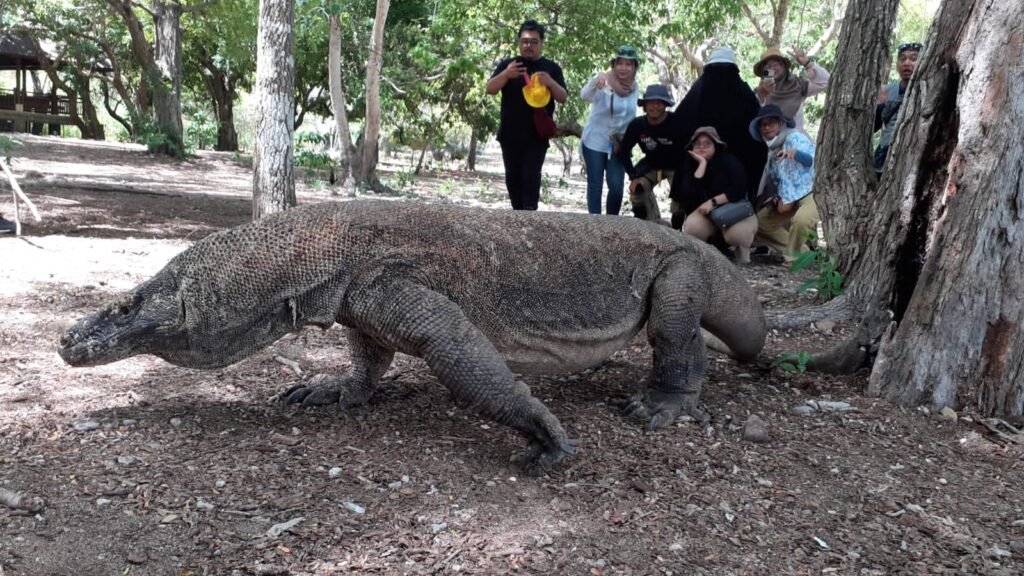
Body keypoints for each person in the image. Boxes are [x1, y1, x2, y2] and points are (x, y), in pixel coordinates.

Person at [485, 20, 568, 210]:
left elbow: (562, 97)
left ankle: (530, 221)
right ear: (519, 43)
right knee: (512, 180)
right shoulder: (508, 65)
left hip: (536, 136)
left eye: (533, 42)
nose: (528, 46)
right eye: (524, 41)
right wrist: (506, 75)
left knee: (530, 180)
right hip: (509, 134)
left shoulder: (551, 68)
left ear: (541, 43)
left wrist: (551, 83)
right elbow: (490, 89)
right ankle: (517, 218)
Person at [671, 47, 765, 212]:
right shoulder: (743, 92)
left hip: (722, 167)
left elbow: (679, 124)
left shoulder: (698, 90)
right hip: (728, 165)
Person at [674, 127, 758, 264]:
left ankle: (742, 254)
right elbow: (689, 194)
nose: (702, 147)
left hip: (734, 210)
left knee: (737, 235)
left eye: (707, 143)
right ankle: (703, 255)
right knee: (692, 227)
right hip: (708, 214)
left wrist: (713, 201)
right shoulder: (690, 165)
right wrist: (702, 165)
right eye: (697, 144)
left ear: (716, 145)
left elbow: (739, 189)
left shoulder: (729, 161)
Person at [749, 105, 819, 262]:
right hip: (789, 196)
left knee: (802, 219)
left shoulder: (795, 138)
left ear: (780, 124)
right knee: (760, 223)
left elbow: (812, 161)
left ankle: (792, 256)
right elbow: (778, 180)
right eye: (763, 125)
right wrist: (776, 196)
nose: (766, 128)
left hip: (811, 190)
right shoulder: (772, 152)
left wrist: (796, 154)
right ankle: (803, 252)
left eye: (771, 123)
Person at [579, 45, 641, 216]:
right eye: (620, 63)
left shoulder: (634, 88)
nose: (623, 68)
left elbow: (631, 116)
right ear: (614, 65)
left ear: (635, 67)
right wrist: (595, 82)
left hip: (617, 144)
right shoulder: (603, 81)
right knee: (595, 184)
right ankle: (595, 223)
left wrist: (626, 143)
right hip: (595, 141)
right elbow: (584, 96)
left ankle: (612, 223)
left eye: (629, 64)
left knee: (616, 187)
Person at [614, 84, 680, 222]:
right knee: (637, 192)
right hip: (651, 165)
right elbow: (623, 151)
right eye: (651, 103)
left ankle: (677, 231)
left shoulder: (677, 122)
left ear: (665, 105)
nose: (654, 107)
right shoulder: (637, 125)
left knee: (680, 200)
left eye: (659, 103)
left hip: (677, 166)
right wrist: (633, 176)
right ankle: (644, 225)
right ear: (644, 105)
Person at [752, 47, 830, 133]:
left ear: (784, 66)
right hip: (770, 144)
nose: (772, 68)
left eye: (776, 64)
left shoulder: (798, 85)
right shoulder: (759, 93)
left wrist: (807, 63)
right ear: (763, 71)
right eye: (767, 66)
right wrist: (761, 95)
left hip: (797, 141)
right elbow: (755, 120)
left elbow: (826, 82)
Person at [874, 42, 922, 172]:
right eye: (902, 59)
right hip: (884, 156)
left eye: (913, 59)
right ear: (897, 65)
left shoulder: (930, 91)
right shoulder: (886, 91)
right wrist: (879, 105)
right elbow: (873, 127)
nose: (907, 63)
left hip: (914, 158)